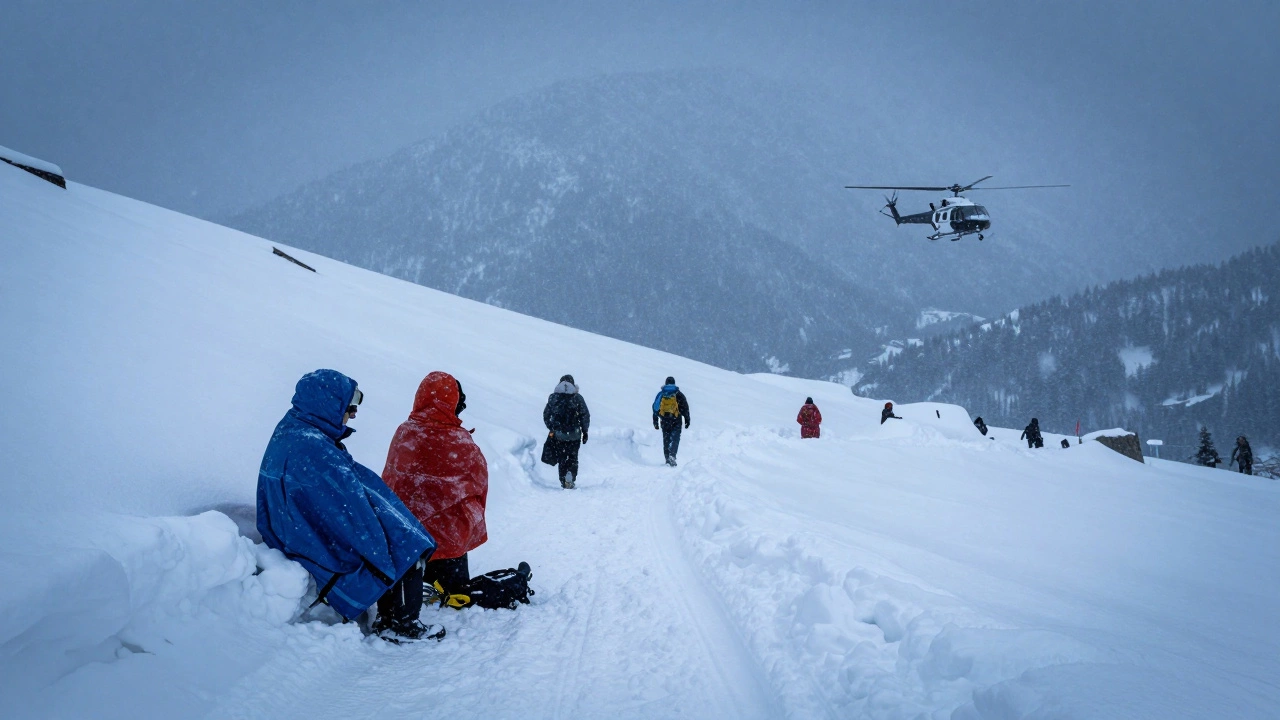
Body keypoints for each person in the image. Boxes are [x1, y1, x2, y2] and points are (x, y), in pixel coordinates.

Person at [256, 369, 441, 641]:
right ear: (328, 404)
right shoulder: (313, 447)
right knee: (405, 541)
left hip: (299, 530)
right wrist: (380, 547)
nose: (353, 413)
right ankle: (400, 625)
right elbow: (352, 513)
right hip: (309, 539)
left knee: (399, 530)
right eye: (349, 405)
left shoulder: (297, 429)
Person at [383, 371, 489, 601]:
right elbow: (478, 487)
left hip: (406, 542)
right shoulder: (459, 441)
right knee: (455, 592)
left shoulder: (404, 432)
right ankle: (444, 589)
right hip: (447, 545)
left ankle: (420, 588)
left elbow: (389, 481)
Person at [542, 375, 590, 488]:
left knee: (562, 458)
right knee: (573, 457)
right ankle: (571, 476)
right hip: (575, 434)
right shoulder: (577, 398)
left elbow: (546, 415)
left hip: (559, 435)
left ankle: (563, 479)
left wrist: (552, 427)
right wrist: (585, 431)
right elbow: (585, 415)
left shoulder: (554, 398)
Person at [652, 376, 691, 466]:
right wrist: (687, 419)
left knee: (666, 438)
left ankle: (667, 458)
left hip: (664, 420)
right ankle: (672, 456)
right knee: (675, 438)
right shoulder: (678, 394)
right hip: (676, 419)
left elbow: (655, 408)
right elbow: (685, 407)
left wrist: (655, 422)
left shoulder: (661, 394)